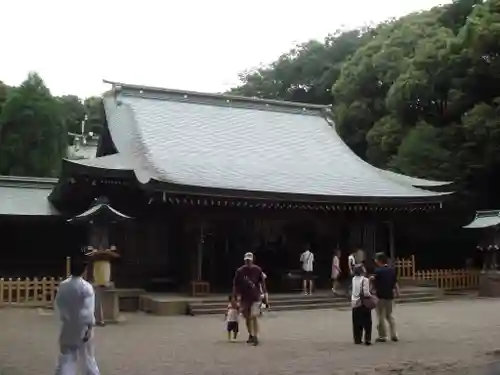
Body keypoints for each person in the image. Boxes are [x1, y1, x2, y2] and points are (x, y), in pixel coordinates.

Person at [54, 258, 100, 375]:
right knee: (87, 357)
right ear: (84, 271)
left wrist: (64, 317)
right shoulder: (86, 288)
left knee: (67, 356)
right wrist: (89, 327)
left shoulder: (63, 286)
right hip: (82, 327)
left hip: (68, 325)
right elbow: (88, 310)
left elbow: (59, 304)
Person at [232, 252, 268, 346]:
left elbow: (262, 282)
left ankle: (255, 335)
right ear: (244, 260)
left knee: (253, 316)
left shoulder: (257, 269)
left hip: (255, 296)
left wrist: (264, 294)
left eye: (249, 260)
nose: (248, 262)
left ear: (252, 260)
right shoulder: (240, 271)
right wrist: (236, 296)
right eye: (246, 260)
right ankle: (250, 334)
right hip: (245, 297)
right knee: (247, 317)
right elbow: (236, 285)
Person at [372, 252, 399, 343]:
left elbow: (374, 284)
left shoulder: (377, 271)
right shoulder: (392, 270)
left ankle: (382, 335)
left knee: (380, 316)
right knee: (389, 315)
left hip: (380, 296)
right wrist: (397, 292)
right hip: (389, 296)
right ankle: (394, 334)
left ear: (379, 260)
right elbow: (395, 283)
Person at [351, 265, 373, 345]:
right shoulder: (365, 280)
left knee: (356, 322)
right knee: (367, 322)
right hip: (363, 302)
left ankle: (357, 338)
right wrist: (371, 296)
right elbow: (366, 292)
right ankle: (367, 339)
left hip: (355, 301)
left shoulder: (353, 279)